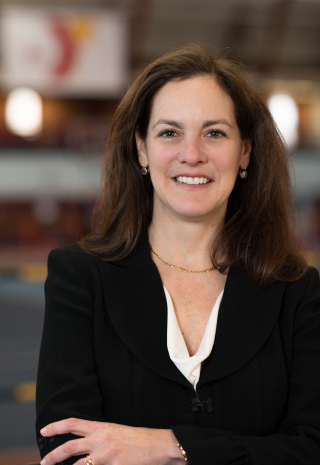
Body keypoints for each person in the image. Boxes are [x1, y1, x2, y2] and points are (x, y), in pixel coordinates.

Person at [36, 44, 320, 465]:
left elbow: (312, 449)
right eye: (170, 132)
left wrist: (170, 447)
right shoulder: (79, 277)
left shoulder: (296, 290)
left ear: (245, 152)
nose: (192, 153)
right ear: (141, 150)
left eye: (215, 132)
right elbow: (67, 447)